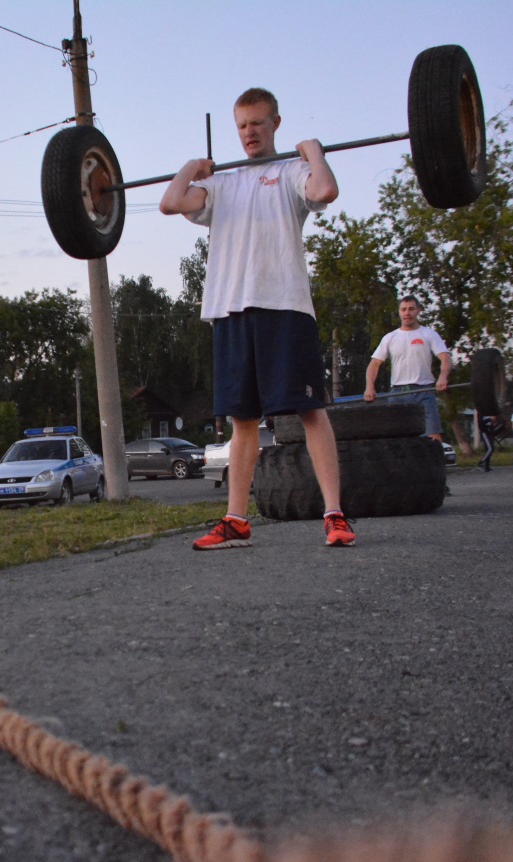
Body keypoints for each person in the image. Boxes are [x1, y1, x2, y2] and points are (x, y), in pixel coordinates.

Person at [160, 87, 354, 549]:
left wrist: (314, 152)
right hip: (230, 309)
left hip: (284, 305)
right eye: (243, 125)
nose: (249, 133)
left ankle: (335, 515)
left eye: (258, 123)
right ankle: (236, 520)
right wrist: (194, 167)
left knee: (310, 410)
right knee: (242, 420)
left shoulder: (292, 172)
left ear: (275, 125)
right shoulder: (220, 184)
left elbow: (325, 189)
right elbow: (170, 202)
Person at [363, 295, 452, 442]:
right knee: (396, 438)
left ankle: (433, 464)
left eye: (411, 309)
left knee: (433, 436)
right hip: (397, 394)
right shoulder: (390, 338)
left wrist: (443, 377)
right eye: (403, 309)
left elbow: (445, 357)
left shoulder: (429, 334)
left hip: (424, 392)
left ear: (418, 311)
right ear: (399, 312)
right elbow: (374, 364)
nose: (407, 313)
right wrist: (369, 386)